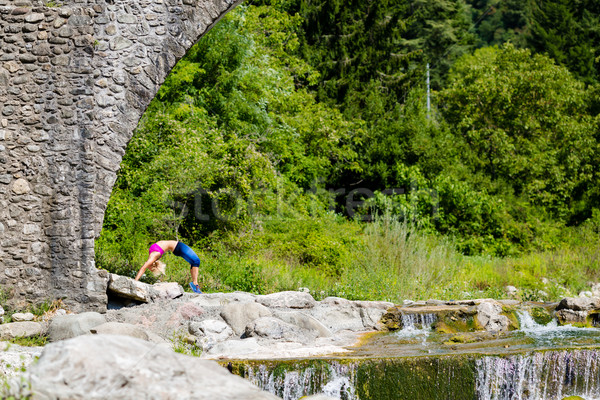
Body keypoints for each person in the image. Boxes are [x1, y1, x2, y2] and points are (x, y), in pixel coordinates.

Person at [135, 240, 202, 293]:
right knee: (196, 261)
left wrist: (135, 281)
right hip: (177, 246)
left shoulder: (152, 255)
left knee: (194, 262)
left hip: (177, 246)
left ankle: (194, 283)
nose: (146, 265)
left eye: (148, 267)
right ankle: (195, 283)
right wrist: (135, 281)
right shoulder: (153, 257)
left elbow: (143, 268)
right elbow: (143, 268)